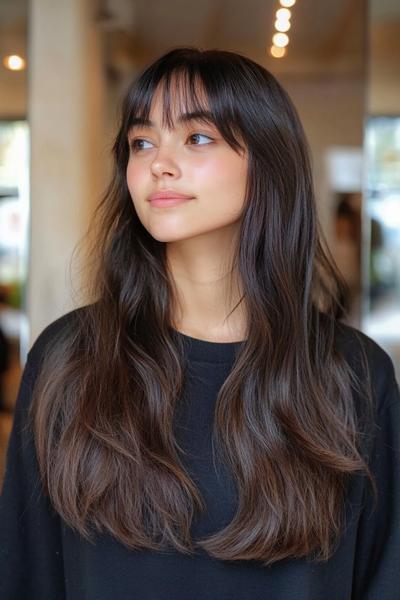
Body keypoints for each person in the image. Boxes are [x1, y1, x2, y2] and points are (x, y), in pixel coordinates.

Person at [0, 47, 399, 600]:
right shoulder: (69, 356)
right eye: (142, 142)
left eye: (197, 138)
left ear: (267, 160)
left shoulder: (353, 372)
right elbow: (27, 571)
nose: (159, 163)